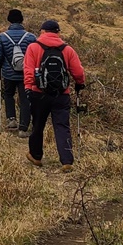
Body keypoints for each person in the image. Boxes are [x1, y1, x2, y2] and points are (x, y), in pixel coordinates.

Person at [23, 19, 86, 173]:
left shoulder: (33, 47)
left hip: (39, 93)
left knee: (38, 124)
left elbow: (29, 70)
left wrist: (28, 88)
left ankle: (36, 156)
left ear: (43, 31)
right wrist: (79, 83)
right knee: (62, 126)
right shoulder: (67, 49)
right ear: (58, 33)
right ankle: (66, 161)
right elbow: (78, 72)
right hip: (61, 94)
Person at [0, 9, 35, 135]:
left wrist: (0, 65)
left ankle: (11, 120)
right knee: (25, 99)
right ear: (21, 20)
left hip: (8, 73)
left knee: (8, 95)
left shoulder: (2, 37)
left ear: (9, 20)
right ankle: (23, 128)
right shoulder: (31, 37)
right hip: (25, 74)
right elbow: (35, 55)